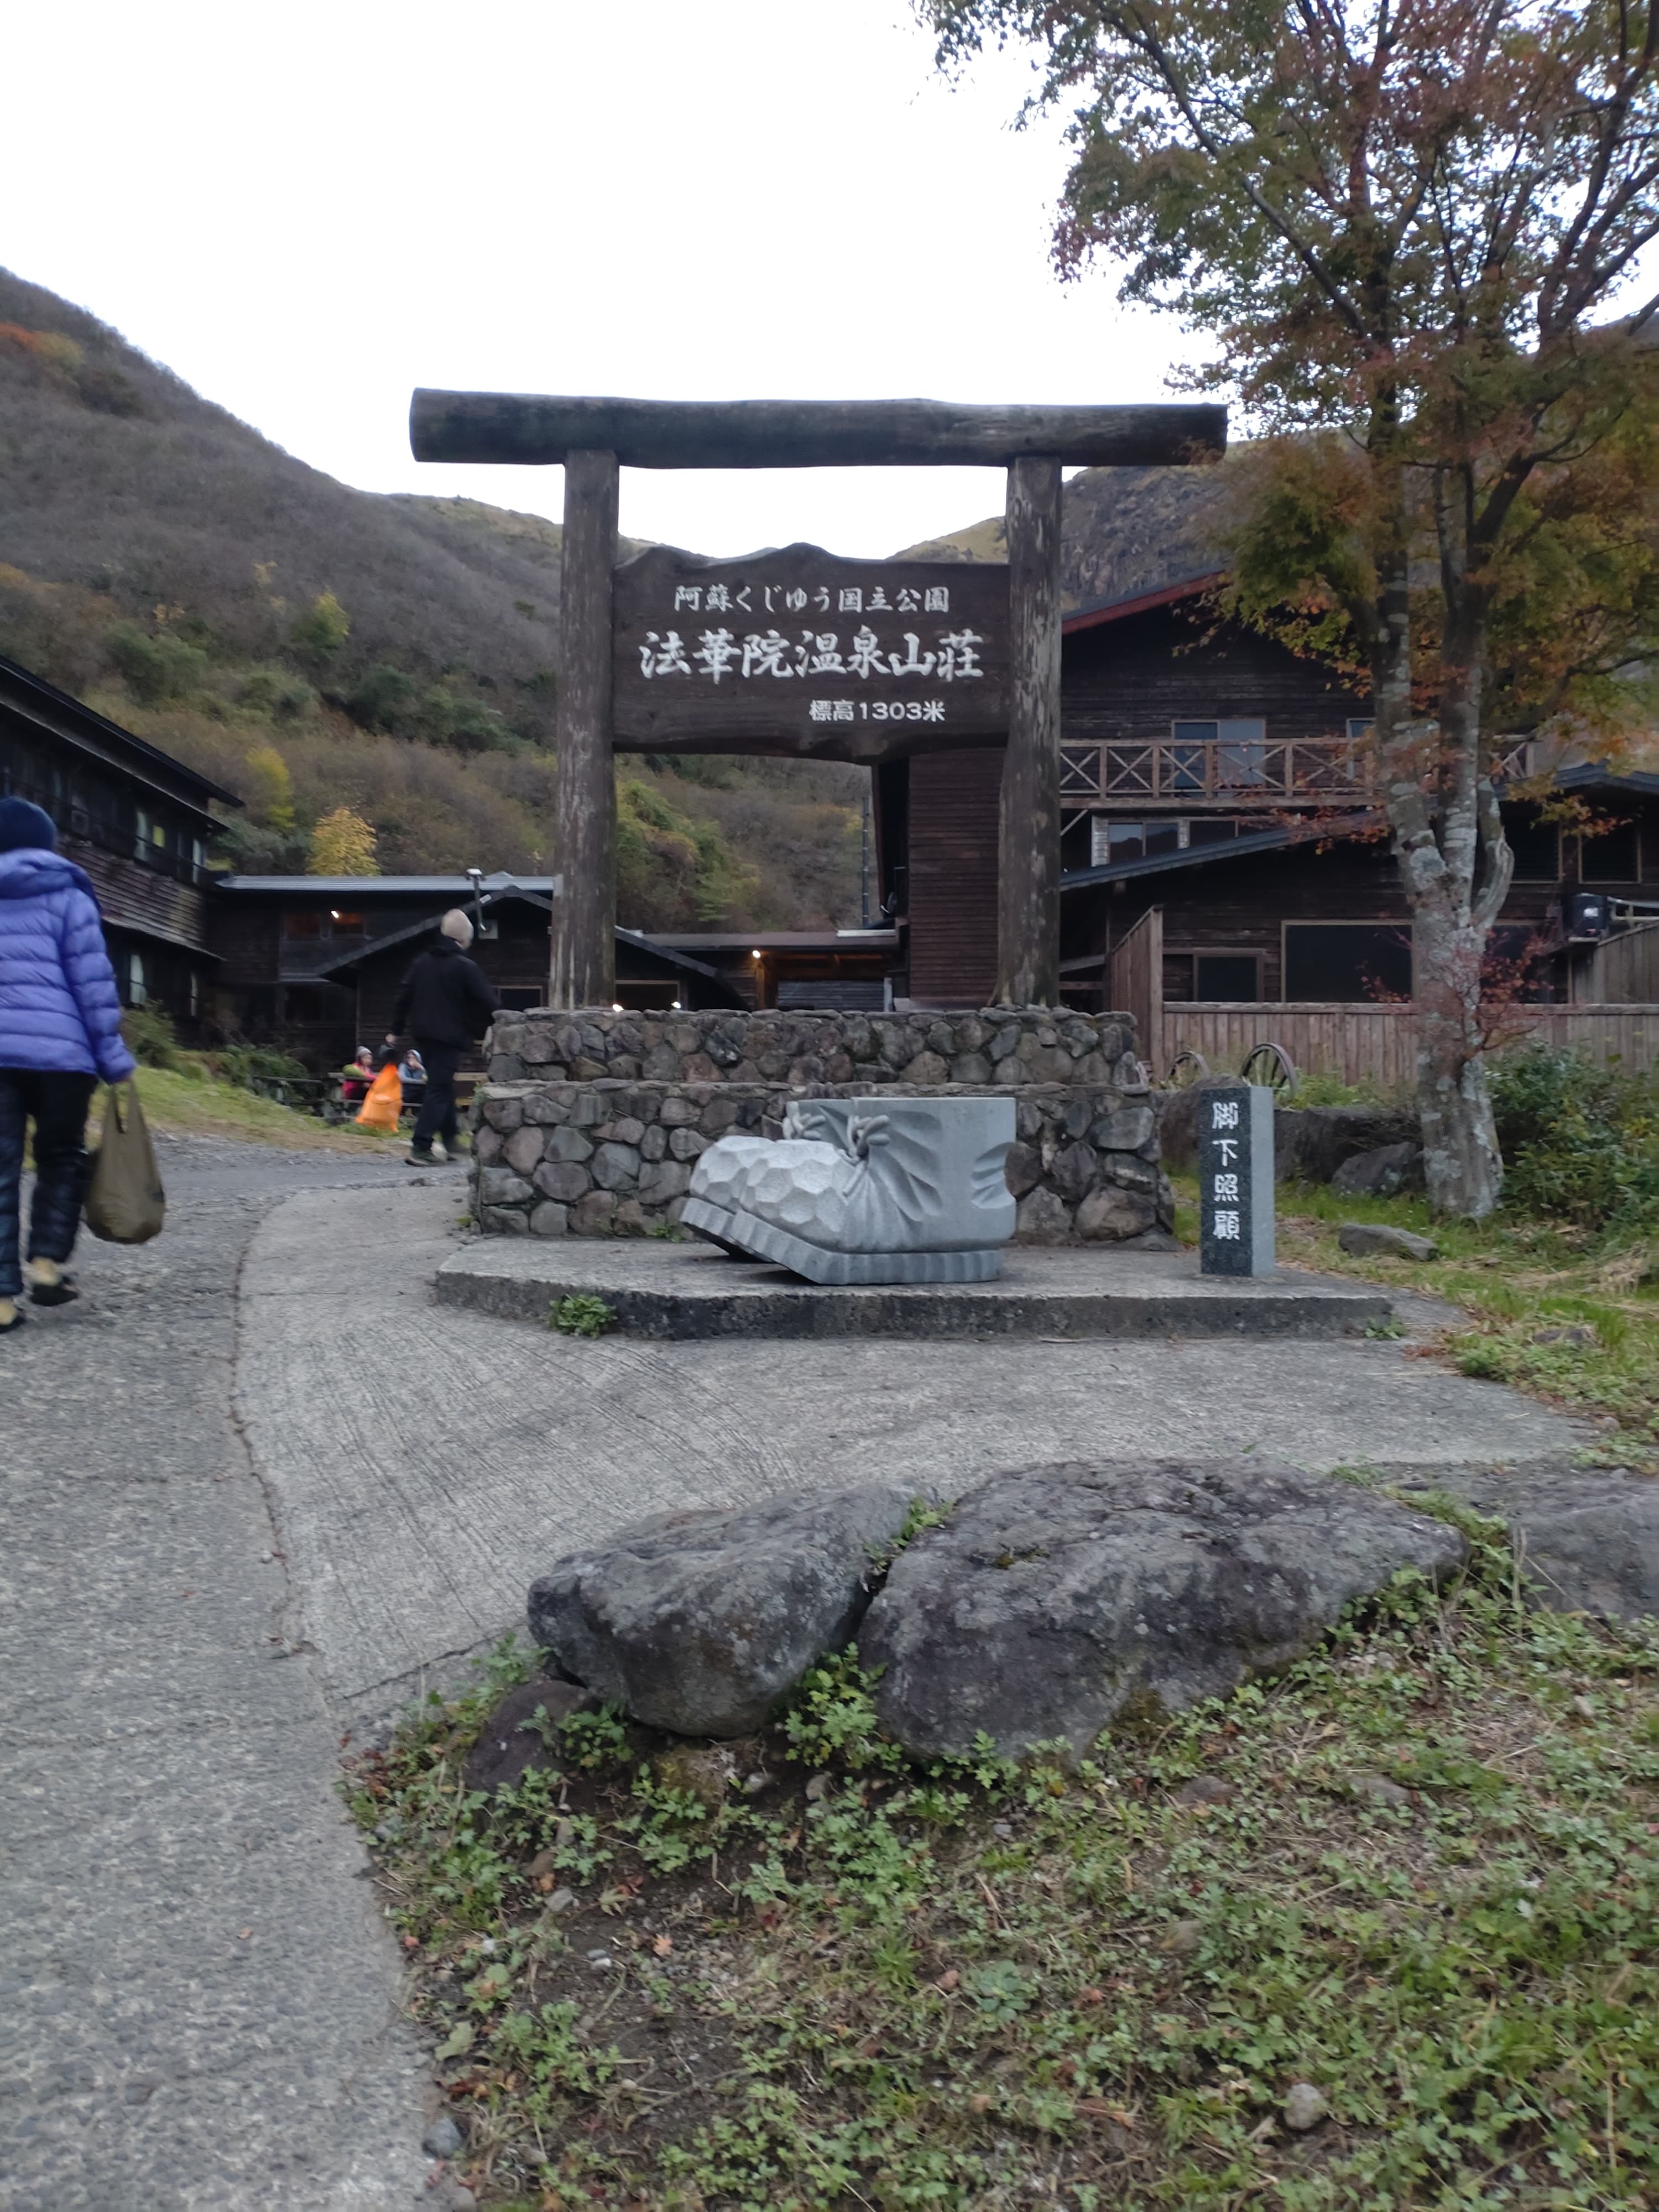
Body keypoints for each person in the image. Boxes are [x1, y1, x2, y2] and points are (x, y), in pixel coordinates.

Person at [0, 796, 137, 1336]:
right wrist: (114, 1061)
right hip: (64, 1059)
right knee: (61, 1155)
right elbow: (94, 987)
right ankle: (47, 1264)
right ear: (45, 845)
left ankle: (2, 1303)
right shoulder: (67, 893)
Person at [389, 909, 497, 1165]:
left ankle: (450, 1140)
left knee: (443, 1084)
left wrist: (395, 1030)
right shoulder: (464, 967)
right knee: (439, 1088)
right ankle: (421, 1146)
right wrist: (505, 1021)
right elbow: (489, 1002)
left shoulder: (421, 963)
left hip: (423, 1035)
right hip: (449, 1036)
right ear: (465, 939)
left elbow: (403, 996)